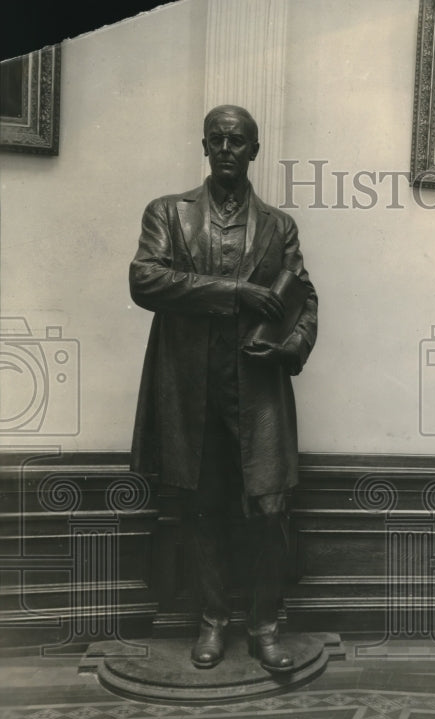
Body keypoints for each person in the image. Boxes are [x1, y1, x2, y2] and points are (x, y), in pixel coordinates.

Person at [129, 105, 318, 672]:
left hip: (256, 389)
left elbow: (303, 298)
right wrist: (235, 291)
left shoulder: (279, 226)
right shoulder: (168, 212)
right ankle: (211, 620)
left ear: (255, 150)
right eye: (218, 139)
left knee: (267, 509)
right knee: (203, 507)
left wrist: (291, 347)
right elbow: (146, 279)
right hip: (191, 387)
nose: (228, 148)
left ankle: (264, 624)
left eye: (239, 141)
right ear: (204, 146)